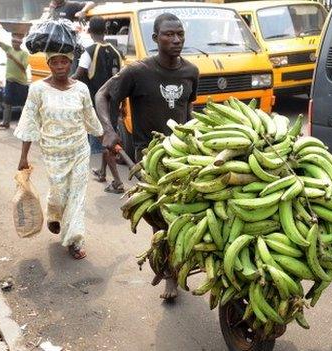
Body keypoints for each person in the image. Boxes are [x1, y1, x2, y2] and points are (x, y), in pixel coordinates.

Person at [95, 13, 199, 301]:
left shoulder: (191, 71)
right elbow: (102, 95)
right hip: (148, 157)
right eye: (168, 34)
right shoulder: (137, 71)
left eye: (179, 34)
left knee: (188, 217)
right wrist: (108, 130)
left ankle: (181, 262)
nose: (176, 39)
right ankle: (168, 274)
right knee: (162, 221)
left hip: (183, 155)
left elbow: (187, 111)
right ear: (155, 38)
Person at [15, 52, 103, 260]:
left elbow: (90, 116)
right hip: (53, 152)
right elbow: (29, 121)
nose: (60, 66)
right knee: (59, 192)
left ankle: (74, 240)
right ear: (49, 64)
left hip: (80, 149)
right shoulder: (37, 89)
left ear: (71, 64)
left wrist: (104, 135)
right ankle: (54, 214)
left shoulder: (81, 88)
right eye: (55, 62)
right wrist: (23, 156)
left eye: (64, 62)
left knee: (76, 196)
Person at [73, 16, 124, 193]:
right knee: (107, 137)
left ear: (89, 31)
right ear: (106, 30)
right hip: (114, 103)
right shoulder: (117, 52)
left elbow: (79, 74)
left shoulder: (89, 51)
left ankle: (118, 182)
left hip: (98, 105)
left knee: (106, 141)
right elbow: (121, 81)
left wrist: (62, 81)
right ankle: (102, 172)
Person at [0, 23, 30, 129]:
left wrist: (13, 58)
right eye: (12, 41)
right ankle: (6, 122)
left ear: (20, 43)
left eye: (16, 42)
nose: (14, 43)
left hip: (21, 82)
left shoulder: (24, 54)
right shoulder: (9, 49)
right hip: (10, 81)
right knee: (7, 102)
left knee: (23, 104)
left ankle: (24, 123)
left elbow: (24, 68)